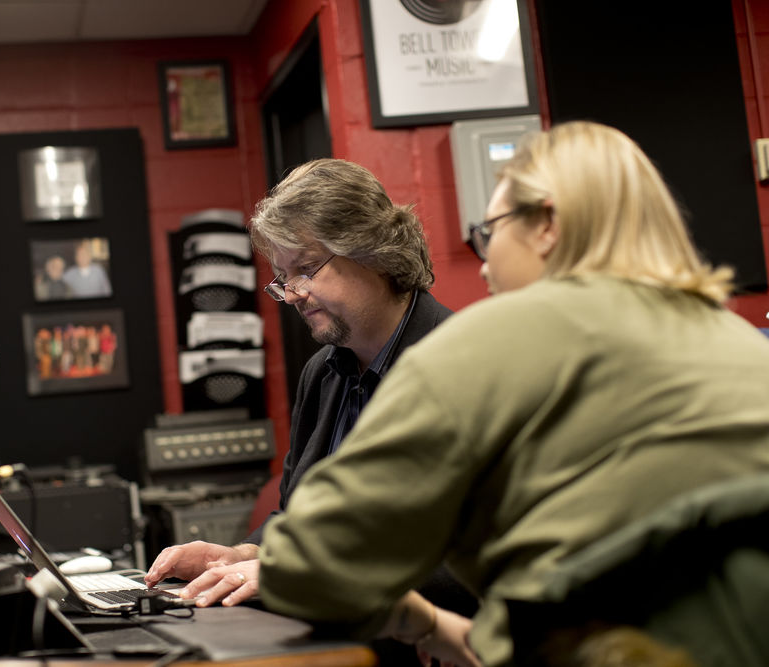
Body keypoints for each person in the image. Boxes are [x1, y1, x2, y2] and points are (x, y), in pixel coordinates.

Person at [237, 122, 769, 666]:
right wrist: (421, 622)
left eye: (489, 231)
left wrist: (370, 601)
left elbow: (310, 564)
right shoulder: (741, 343)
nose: (484, 262)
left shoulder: (499, 338)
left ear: (547, 226)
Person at [145, 159, 472, 619]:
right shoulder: (323, 373)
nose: (293, 293)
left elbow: (470, 557)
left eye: (306, 269)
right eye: (282, 278)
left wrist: (298, 576)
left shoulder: (464, 365)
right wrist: (242, 556)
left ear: (372, 251)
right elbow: (303, 524)